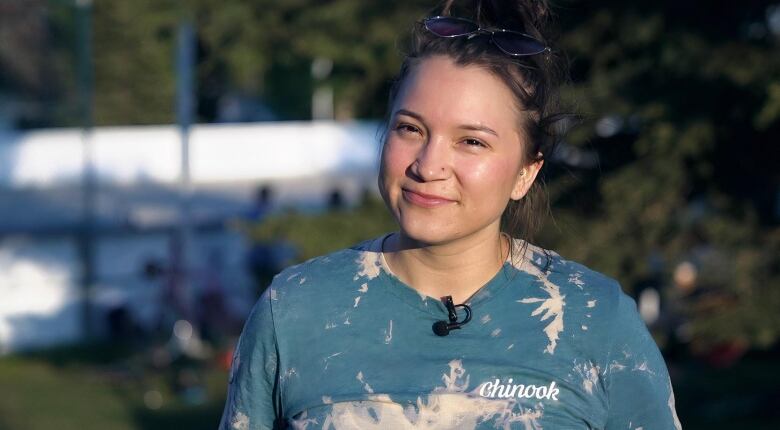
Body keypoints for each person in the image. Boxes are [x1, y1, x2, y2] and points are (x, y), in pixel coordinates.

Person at [219, 1, 683, 428]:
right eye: (410, 128)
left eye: (472, 141)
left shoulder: (595, 320)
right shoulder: (296, 310)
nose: (428, 164)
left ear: (527, 170)